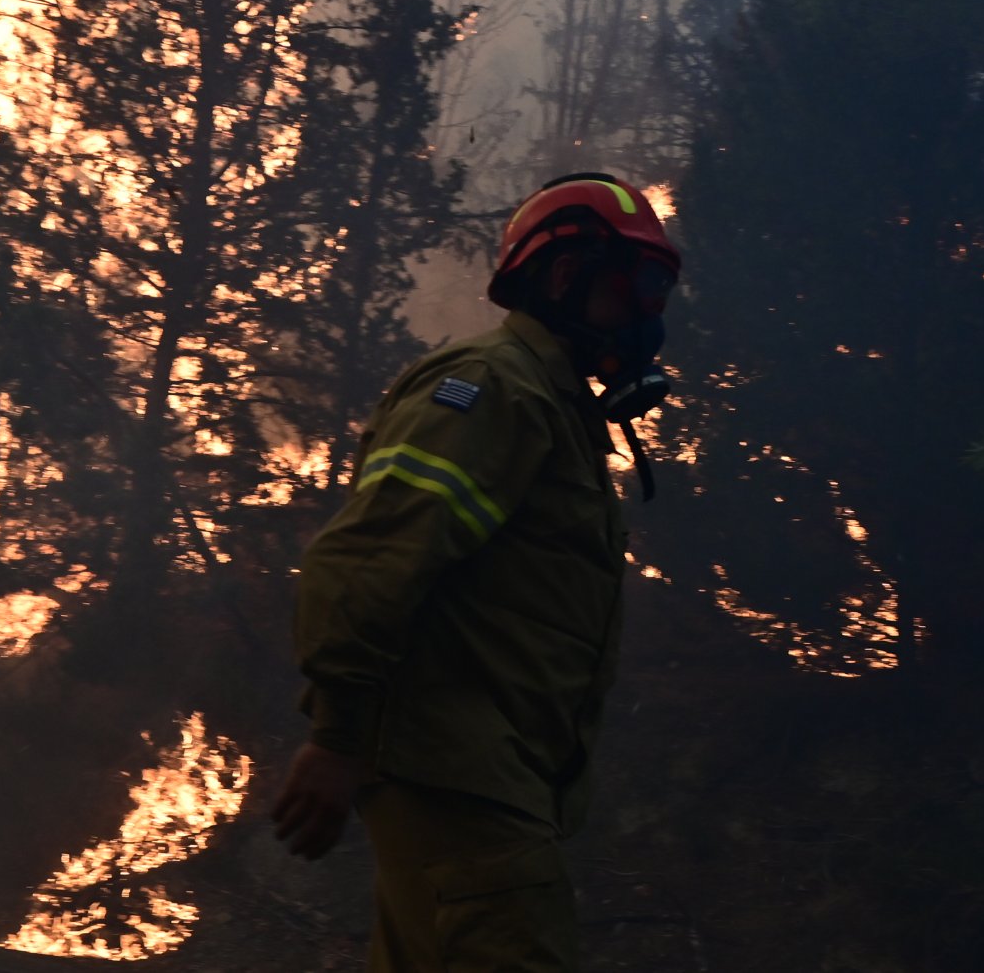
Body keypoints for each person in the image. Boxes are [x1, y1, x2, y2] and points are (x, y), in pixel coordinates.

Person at [272, 173, 681, 972]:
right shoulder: (493, 387)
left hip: (492, 779)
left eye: (663, 287)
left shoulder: (557, 412)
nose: (651, 314)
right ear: (565, 275)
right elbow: (366, 560)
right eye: (641, 282)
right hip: (459, 778)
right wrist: (336, 736)